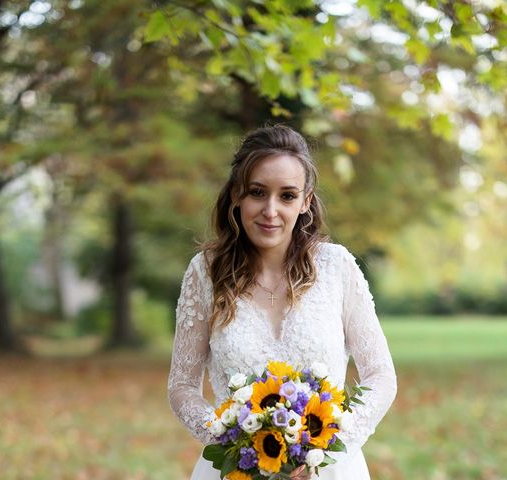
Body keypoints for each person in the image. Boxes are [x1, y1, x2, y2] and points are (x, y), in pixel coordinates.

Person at [167, 125, 397, 479]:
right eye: (257, 192)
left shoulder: (336, 267)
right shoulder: (205, 273)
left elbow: (380, 375)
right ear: (236, 195)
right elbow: (182, 387)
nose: (270, 210)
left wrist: (327, 448)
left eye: (287, 196)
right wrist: (235, 441)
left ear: (306, 201)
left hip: (328, 470)